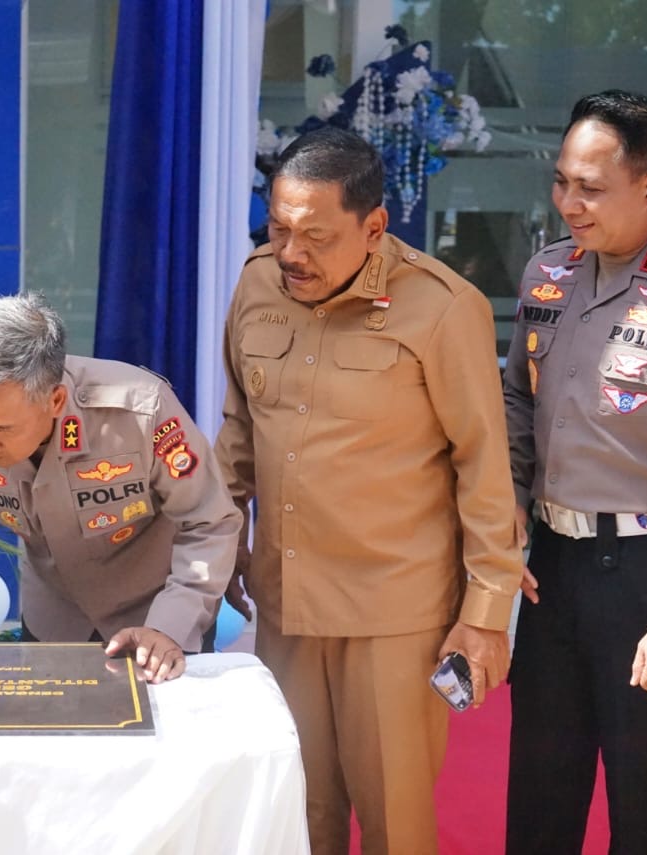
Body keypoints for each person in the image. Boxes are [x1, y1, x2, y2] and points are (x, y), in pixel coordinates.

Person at [213, 126, 523, 853]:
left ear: (374, 226)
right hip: (286, 606)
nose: (293, 252)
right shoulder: (258, 281)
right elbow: (238, 426)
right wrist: (222, 534)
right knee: (295, 810)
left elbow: (484, 467)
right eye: (280, 228)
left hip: (396, 614)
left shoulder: (445, 308)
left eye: (317, 235)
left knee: (393, 821)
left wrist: (483, 614)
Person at [503, 90, 647, 853]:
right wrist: (511, 509)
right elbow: (518, 399)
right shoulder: (547, 273)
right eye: (561, 181)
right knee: (539, 799)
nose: (568, 203)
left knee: (643, 809)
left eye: (590, 187)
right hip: (553, 567)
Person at [0, 293, 241, 683]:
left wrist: (171, 624)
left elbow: (207, 521)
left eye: (4, 429)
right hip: (54, 623)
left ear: (55, 400)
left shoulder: (140, 410)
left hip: (155, 622)